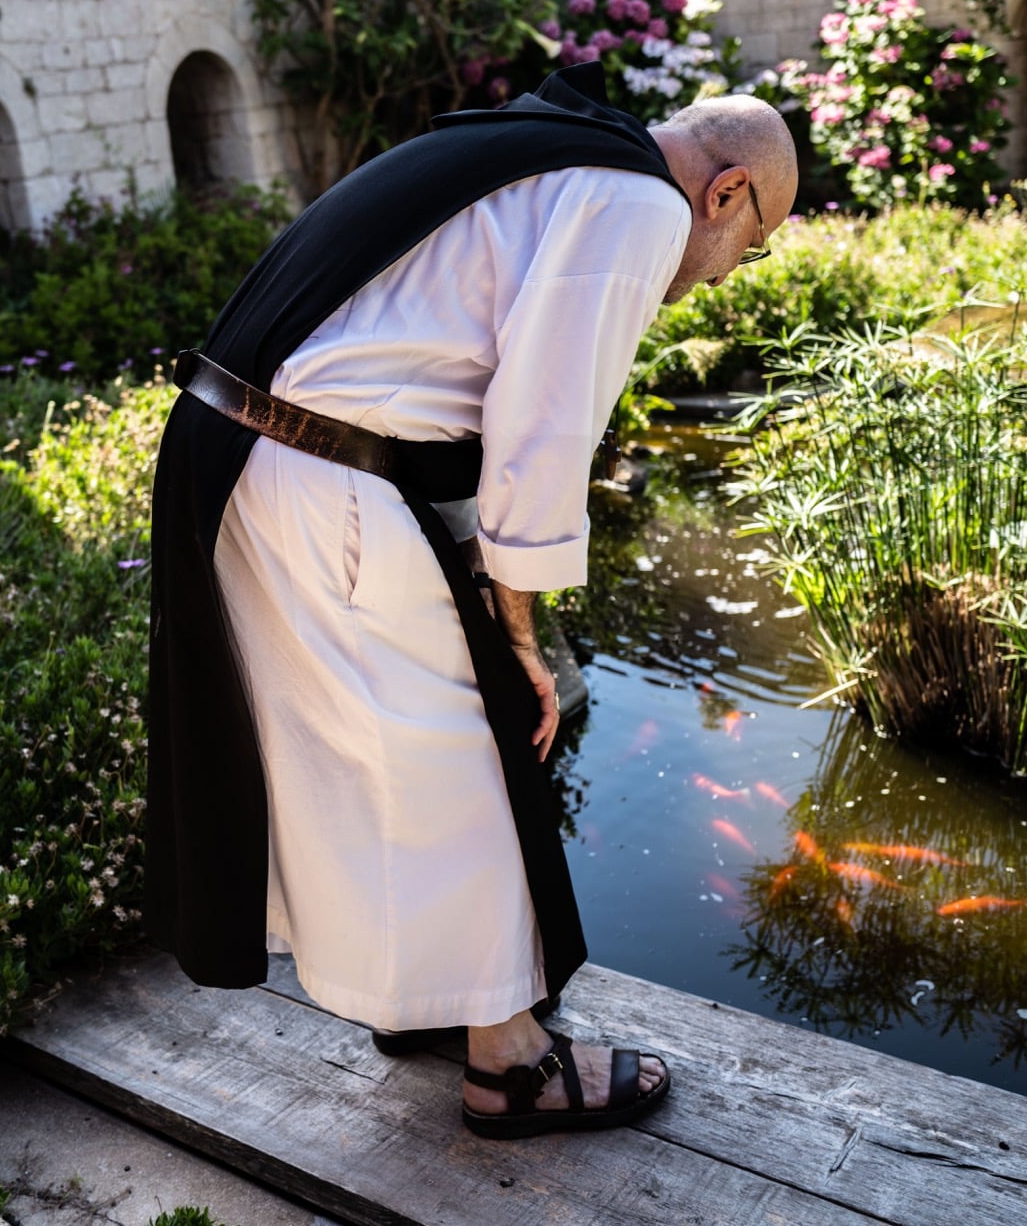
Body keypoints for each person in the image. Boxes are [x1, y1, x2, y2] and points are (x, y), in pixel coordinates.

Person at [145, 64, 797, 1137]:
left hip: (242, 448)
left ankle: (432, 999)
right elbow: (543, 434)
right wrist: (519, 632)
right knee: (462, 754)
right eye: (751, 245)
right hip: (310, 468)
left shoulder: (552, 155)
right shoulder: (637, 201)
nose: (728, 273)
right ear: (726, 193)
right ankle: (509, 1063)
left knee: (365, 758)